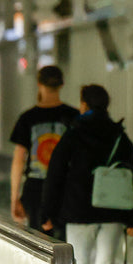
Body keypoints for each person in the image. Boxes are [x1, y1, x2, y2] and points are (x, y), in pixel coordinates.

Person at [40, 84, 133, 264]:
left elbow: (55, 174)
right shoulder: (120, 137)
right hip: (113, 213)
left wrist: (47, 213)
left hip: (79, 211)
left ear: (83, 104)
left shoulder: (74, 134)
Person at [9, 65, 78, 234]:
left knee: (39, 243)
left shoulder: (28, 118)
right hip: (67, 188)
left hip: (35, 190)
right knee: (66, 243)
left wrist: (14, 198)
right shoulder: (74, 116)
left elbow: (19, 160)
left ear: (39, 84)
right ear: (62, 85)